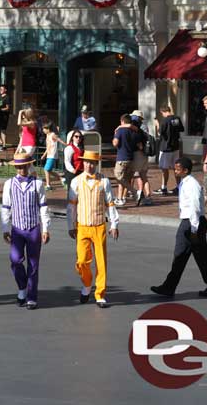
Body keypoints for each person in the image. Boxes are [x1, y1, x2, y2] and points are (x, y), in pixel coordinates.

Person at [150, 157, 207, 298]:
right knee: (196, 257)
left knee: (182, 255)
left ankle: (170, 287)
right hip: (191, 222)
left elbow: (195, 207)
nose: (175, 170)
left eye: (178, 168)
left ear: (185, 170)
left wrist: (194, 229)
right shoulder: (185, 182)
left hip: (191, 223)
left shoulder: (191, 185)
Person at [67, 150, 120, 309]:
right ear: (83, 163)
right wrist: (71, 225)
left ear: (96, 164)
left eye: (92, 162)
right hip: (82, 226)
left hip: (99, 226)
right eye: (87, 162)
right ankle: (87, 284)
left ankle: (100, 294)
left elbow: (110, 203)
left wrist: (114, 224)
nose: (89, 165)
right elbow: (71, 206)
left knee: (101, 261)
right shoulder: (76, 182)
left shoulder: (104, 181)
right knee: (82, 261)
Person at [1, 153, 51, 310]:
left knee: (33, 264)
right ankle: (22, 287)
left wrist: (46, 228)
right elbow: (6, 207)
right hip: (17, 228)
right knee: (15, 260)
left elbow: (43, 206)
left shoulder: (37, 183)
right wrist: (5, 228)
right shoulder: (9, 184)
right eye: (19, 166)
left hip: (33, 228)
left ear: (29, 166)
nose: (22, 169)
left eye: (24, 166)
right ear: (15, 167)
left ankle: (31, 296)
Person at [154, 105, 184, 195]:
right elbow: (181, 129)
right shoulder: (177, 119)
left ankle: (164, 187)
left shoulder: (165, 121)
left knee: (164, 169)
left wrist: (157, 124)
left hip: (166, 148)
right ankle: (179, 187)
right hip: (175, 147)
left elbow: (160, 133)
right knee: (176, 167)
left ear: (163, 112)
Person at [112, 114, 139, 206]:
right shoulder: (133, 131)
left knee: (118, 176)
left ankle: (134, 191)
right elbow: (138, 144)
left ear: (122, 121)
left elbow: (115, 143)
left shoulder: (120, 131)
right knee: (125, 179)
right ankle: (121, 198)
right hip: (131, 158)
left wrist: (115, 136)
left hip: (121, 158)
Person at [130, 112, 153, 206]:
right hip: (144, 155)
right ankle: (148, 196)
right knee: (144, 176)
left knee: (138, 175)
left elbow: (139, 145)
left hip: (138, 155)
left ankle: (140, 194)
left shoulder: (137, 131)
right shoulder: (144, 128)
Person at [40, 122, 66, 191]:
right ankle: (62, 179)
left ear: (48, 129)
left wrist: (65, 144)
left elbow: (59, 139)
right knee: (49, 171)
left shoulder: (52, 135)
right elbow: (48, 147)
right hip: (49, 155)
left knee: (46, 169)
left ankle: (48, 185)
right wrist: (44, 155)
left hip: (52, 155)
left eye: (44, 129)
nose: (43, 130)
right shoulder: (47, 136)